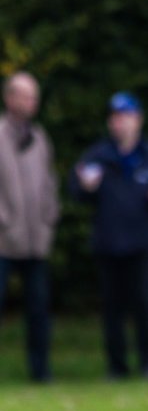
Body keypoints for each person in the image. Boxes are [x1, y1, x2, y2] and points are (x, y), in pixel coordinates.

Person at [69, 92, 148, 379]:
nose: (120, 124)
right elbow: (76, 191)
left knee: (146, 306)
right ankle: (116, 368)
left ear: (138, 120)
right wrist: (85, 188)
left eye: (125, 117)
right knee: (112, 311)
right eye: (115, 118)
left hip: (142, 245)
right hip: (108, 245)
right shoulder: (98, 156)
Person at [0, 72, 58, 383]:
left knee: (38, 312)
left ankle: (41, 373)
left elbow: (49, 183)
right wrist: (5, 219)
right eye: (24, 95)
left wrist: (49, 219)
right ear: (9, 98)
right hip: (3, 241)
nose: (30, 102)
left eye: (33, 96)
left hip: (36, 240)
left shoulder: (40, 138)